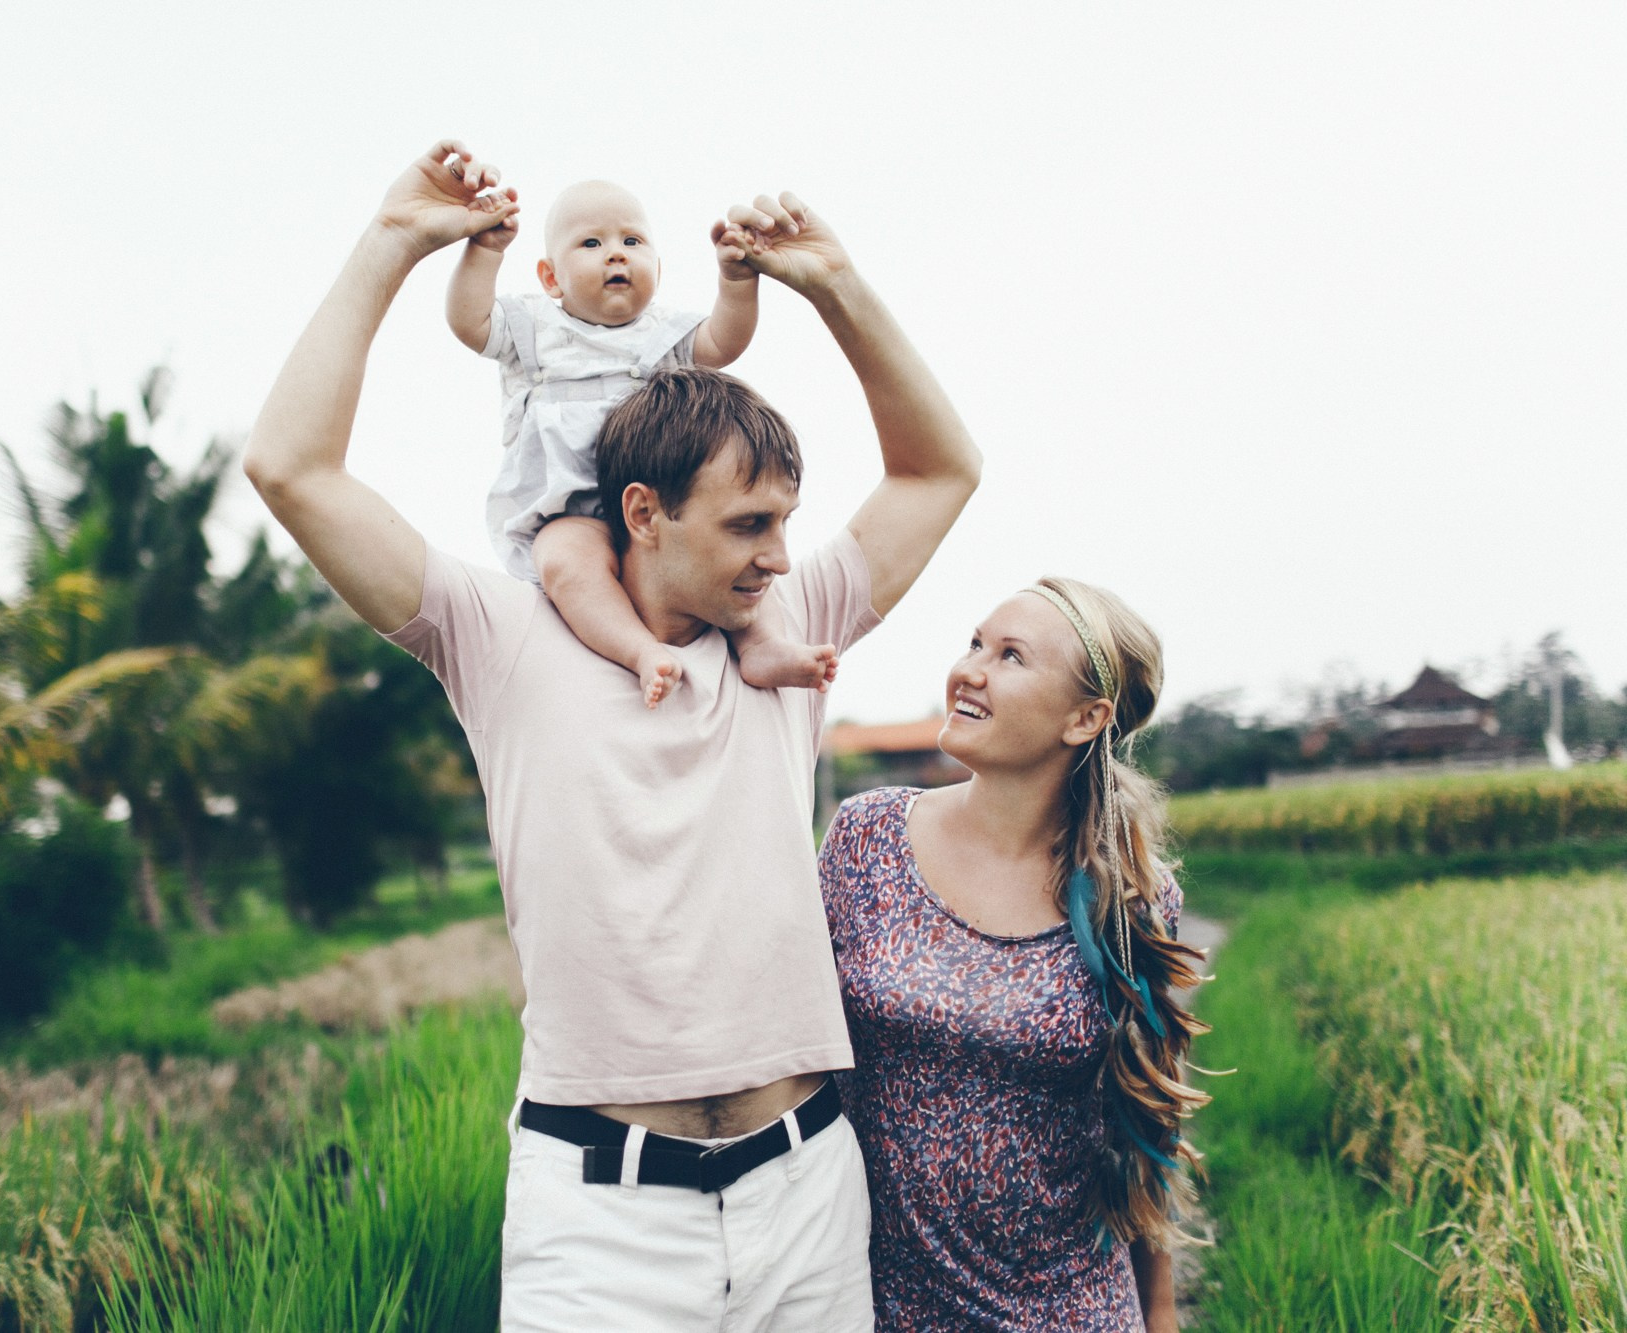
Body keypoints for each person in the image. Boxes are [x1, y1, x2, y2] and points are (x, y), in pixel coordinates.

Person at [241, 139, 981, 1330]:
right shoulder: (500, 636)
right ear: (643, 513)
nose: (779, 556)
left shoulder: (786, 627)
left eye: (785, 524)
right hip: (597, 1218)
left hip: (807, 1191)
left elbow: (940, 469)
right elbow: (289, 467)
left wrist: (830, 283)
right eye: (748, 525)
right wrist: (391, 245)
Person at [818, 576, 1209, 1332]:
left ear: (1085, 716)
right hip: (881, 1306)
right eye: (974, 643)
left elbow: (1144, 1123)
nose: (970, 669)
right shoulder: (865, 840)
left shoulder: (1129, 894)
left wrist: (1160, 1313)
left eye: (1010, 656)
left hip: (1069, 1308)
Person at [446, 176, 836, 706]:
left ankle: (763, 645)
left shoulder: (661, 336)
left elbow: (723, 341)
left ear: (658, 266)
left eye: (632, 242)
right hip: (572, 510)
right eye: (591, 244)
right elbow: (469, 321)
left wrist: (737, 281)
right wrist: (486, 249)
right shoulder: (536, 332)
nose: (615, 256)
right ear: (550, 278)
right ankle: (638, 651)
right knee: (566, 563)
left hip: (660, 505)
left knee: (737, 565)